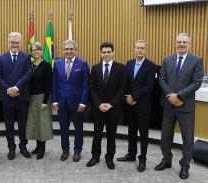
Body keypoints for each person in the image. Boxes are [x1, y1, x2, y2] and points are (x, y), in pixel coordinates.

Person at [155, 33, 203, 179]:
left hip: (185, 106)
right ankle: (166, 160)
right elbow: (162, 78)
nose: (181, 44)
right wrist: (172, 96)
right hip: (169, 104)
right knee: (165, 135)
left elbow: (197, 82)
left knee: (187, 138)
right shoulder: (167, 59)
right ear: (175, 43)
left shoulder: (196, 60)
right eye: (179, 42)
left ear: (189, 44)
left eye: (184, 42)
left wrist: (180, 96)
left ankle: (184, 166)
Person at [86, 42, 127, 170]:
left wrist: (110, 104)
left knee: (111, 135)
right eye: (104, 52)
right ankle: (95, 156)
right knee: (96, 134)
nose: (106, 54)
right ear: (100, 53)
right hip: (98, 109)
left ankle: (109, 158)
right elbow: (92, 88)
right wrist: (99, 104)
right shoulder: (95, 68)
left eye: (109, 52)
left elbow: (122, 89)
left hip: (113, 109)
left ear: (113, 53)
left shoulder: (121, 68)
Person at [117, 40, 156, 172]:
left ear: (146, 50)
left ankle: (142, 159)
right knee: (131, 132)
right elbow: (126, 83)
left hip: (143, 106)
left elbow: (149, 86)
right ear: (134, 49)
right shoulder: (129, 63)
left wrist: (134, 97)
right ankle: (131, 154)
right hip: (130, 105)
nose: (139, 50)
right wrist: (128, 97)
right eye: (137, 48)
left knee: (143, 134)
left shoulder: (151, 65)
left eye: (142, 48)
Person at [0, 32, 33, 160]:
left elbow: (28, 74)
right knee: (9, 125)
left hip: (22, 97)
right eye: (12, 42)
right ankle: (11, 148)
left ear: (21, 43)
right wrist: (8, 89)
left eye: (17, 42)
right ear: (8, 42)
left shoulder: (27, 57)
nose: (14, 44)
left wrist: (16, 88)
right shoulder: (0, 58)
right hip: (7, 98)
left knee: (23, 125)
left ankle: (23, 146)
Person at [51, 39, 90, 162]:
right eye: (66, 49)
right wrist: (54, 101)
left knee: (78, 129)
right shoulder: (57, 63)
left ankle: (77, 151)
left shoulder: (83, 64)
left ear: (75, 50)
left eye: (71, 49)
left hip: (77, 104)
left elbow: (86, 85)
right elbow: (54, 84)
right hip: (61, 103)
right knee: (63, 129)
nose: (69, 51)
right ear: (63, 50)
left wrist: (83, 102)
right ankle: (65, 150)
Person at [26, 42, 53, 160]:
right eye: (33, 50)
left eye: (38, 49)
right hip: (31, 98)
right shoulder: (29, 65)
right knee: (35, 123)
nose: (36, 51)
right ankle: (37, 146)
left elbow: (49, 84)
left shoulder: (46, 65)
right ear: (31, 52)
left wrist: (45, 101)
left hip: (42, 97)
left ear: (41, 51)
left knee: (43, 123)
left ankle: (42, 148)